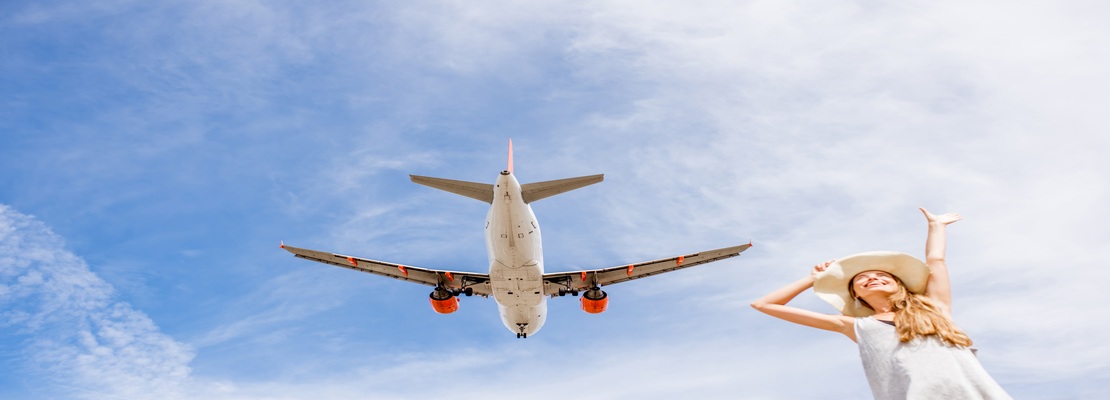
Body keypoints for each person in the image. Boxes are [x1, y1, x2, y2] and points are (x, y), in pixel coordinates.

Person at [751, 208, 1011, 400]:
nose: (872, 278)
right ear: (856, 295)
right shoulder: (856, 326)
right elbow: (764, 304)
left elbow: (936, 261)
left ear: (899, 285)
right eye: (861, 279)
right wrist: (812, 279)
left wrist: (937, 226)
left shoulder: (934, 308)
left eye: (882, 275)